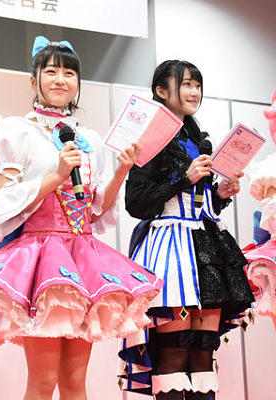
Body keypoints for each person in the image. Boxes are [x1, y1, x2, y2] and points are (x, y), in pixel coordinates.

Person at [0, 36, 162, 400]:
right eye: (51, 72)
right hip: (41, 257)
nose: (61, 79)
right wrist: (57, 175)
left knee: (76, 383)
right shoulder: (17, 130)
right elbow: (4, 203)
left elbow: (95, 211)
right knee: (43, 381)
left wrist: (122, 171)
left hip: (83, 257)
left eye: (69, 73)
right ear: (34, 80)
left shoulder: (89, 138)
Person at [118, 60, 255, 400]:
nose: (194, 92)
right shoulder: (149, 137)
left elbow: (199, 201)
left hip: (205, 249)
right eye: (186, 84)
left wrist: (220, 194)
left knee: (203, 352)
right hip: (170, 252)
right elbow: (136, 202)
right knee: (174, 352)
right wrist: (184, 179)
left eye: (197, 85)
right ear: (161, 91)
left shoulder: (198, 139)